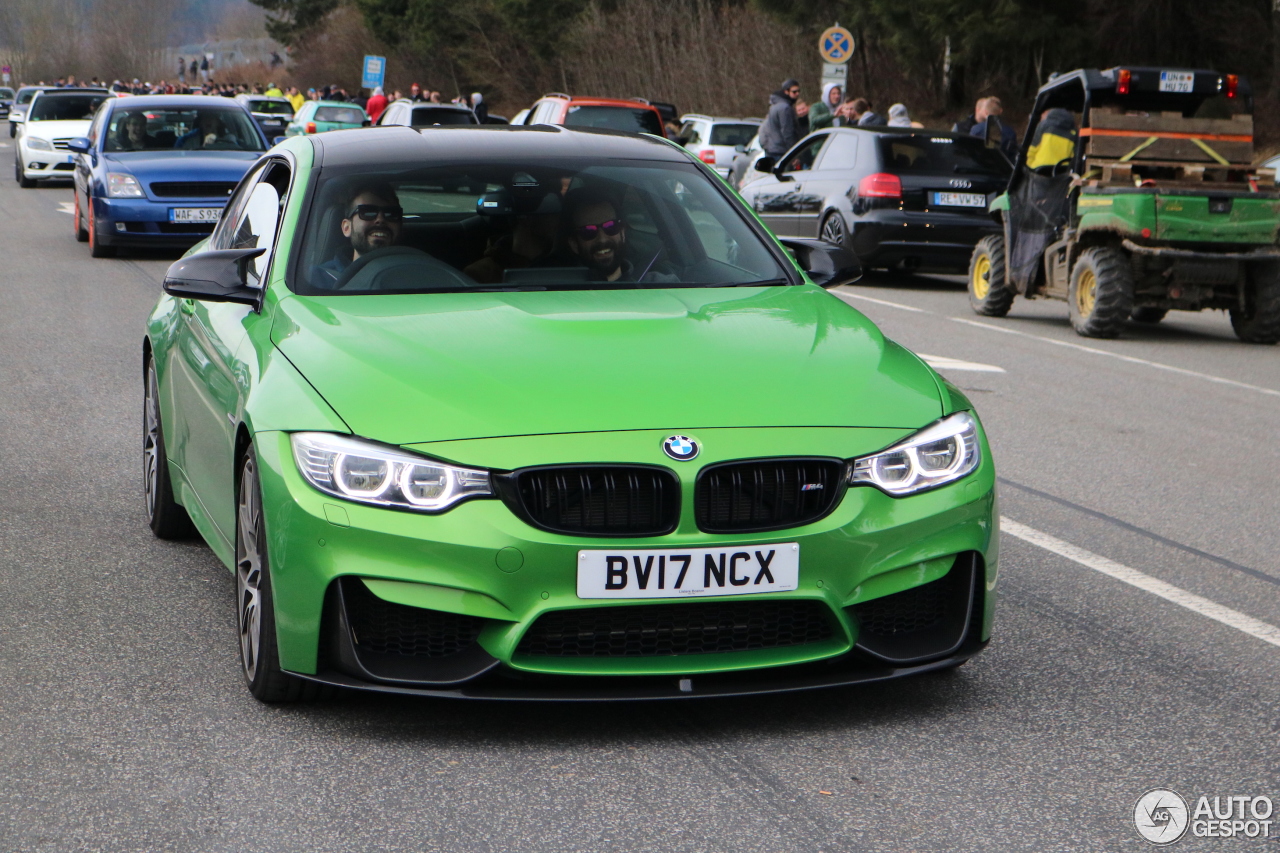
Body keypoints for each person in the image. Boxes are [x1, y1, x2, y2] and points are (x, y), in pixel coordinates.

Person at [562, 188, 676, 284]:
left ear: (622, 232)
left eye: (611, 227)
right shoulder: (557, 294)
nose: (602, 239)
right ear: (574, 244)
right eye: (588, 231)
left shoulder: (660, 286)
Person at [314, 184, 404, 287]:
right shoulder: (317, 279)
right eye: (368, 212)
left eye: (391, 214)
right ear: (346, 228)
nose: (380, 220)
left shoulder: (417, 274)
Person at [464, 192, 562, 283]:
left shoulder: (562, 265)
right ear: (525, 218)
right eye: (551, 212)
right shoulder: (481, 273)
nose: (559, 220)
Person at [759, 78, 803, 159]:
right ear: (786, 92)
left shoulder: (774, 106)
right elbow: (787, 132)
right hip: (781, 151)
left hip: (772, 149)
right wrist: (793, 154)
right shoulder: (785, 108)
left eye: (798, 91)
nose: (797, 94)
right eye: (794, 92)